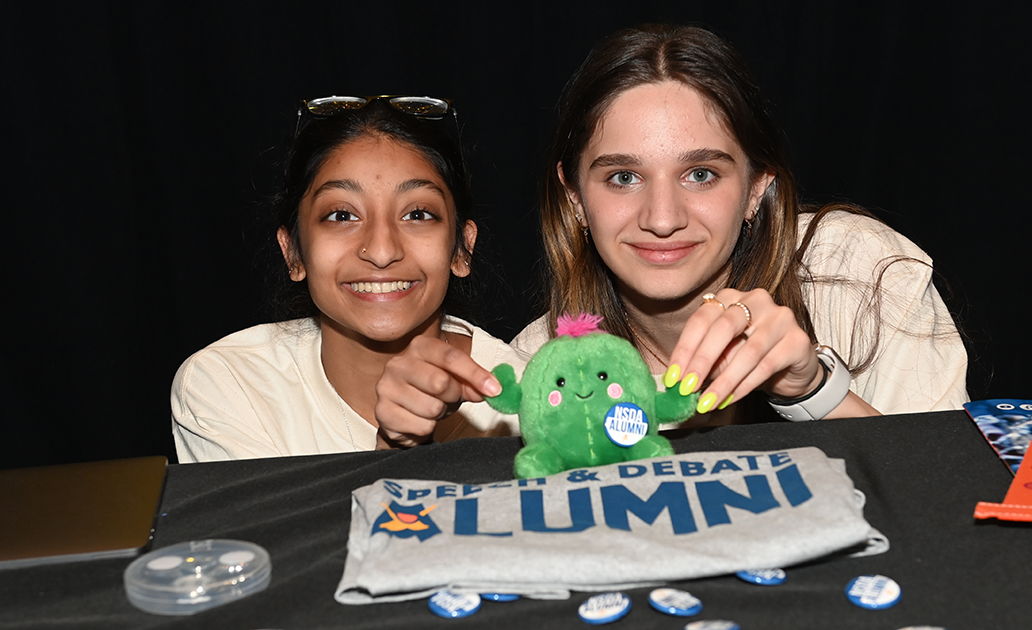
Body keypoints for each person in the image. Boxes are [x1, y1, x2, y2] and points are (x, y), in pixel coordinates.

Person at [375, 24, 968, 445]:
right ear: (575, 197)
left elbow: (952, 505)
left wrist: (810, 388)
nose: (662, 217)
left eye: (701, 173)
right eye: (623, 177)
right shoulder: (547, 367)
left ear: (756, 187)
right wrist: (401, 440)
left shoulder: (860, 273)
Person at [172, 96, 525, 462]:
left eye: (418, 214)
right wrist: (396, 449)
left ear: (462, 249)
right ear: (293, 252)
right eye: (342, 215)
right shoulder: (231, 388)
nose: (382, 250)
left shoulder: (535, 400)